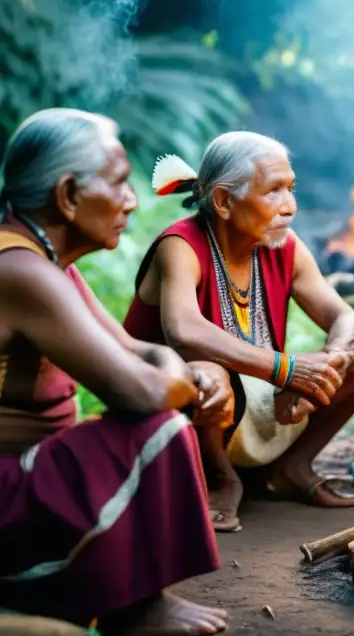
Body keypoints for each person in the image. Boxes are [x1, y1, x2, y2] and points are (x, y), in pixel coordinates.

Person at [0, 109, 233, 634]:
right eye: (120, 182)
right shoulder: (22, 273)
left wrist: (183, 371)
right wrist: (185, 380)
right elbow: (140, 388)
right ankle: (136, 609)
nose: (132, 200)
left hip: (23, 479)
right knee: (162, 425)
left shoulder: (46, 263)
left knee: (168, 404)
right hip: (7, 497)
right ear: (67, 195)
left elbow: (131, 347)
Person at [123, 132, 354, 533]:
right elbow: (183, 330)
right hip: (164, 405)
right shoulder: (180, 244)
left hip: (247, 395)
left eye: (291, 188)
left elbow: (345, 319)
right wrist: (285, 371)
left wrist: (331, 363)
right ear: (223, 201)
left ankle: (291, 468)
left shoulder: (285, 246)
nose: (289, 206)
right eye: (274, 191)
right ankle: (218, 476)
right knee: (209, 370)